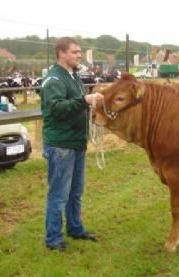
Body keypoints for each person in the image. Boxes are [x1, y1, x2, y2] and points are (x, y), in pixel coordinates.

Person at [40, 37, 102, 251]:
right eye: (75, 52)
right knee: (59, 194)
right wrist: (84, 101)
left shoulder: (74, 77)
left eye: (79, 52)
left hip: (76, 143)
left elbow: (76, 106)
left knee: (75, 192)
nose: (79, 55)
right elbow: (56, 109)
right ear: (62, 53)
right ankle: (53, 239)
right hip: (61, 145)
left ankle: (75, 228)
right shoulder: (53, 80)